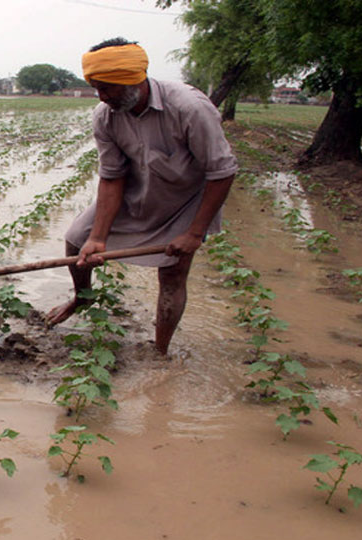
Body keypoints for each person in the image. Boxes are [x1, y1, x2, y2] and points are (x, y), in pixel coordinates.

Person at [45, 37, 238, 356]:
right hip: (137, 190)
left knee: (173, 274)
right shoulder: (105, 116)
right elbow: (112, 175)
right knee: (77, 240)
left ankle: (160, 351)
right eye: (96, 87)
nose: (101, 96)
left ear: (132, 79)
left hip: (185, 200)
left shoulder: (189, 108)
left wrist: (194, 233)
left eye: (107, 87)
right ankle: (81, 298)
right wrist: (98, 237)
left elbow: (222, 171)